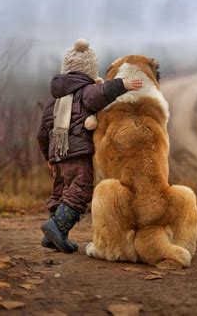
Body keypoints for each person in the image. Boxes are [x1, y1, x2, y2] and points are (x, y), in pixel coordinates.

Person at [37, 38, 142, 253]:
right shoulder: (85, 92)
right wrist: (123, 84)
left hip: (57, 156)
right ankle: (57, 227)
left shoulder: (51, 103)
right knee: (81, 189)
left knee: (60, 193)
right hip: (76, 154)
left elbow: (41, 134)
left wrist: (48, 157)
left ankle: (54, 235)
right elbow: (101, 94)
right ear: (88, 73)